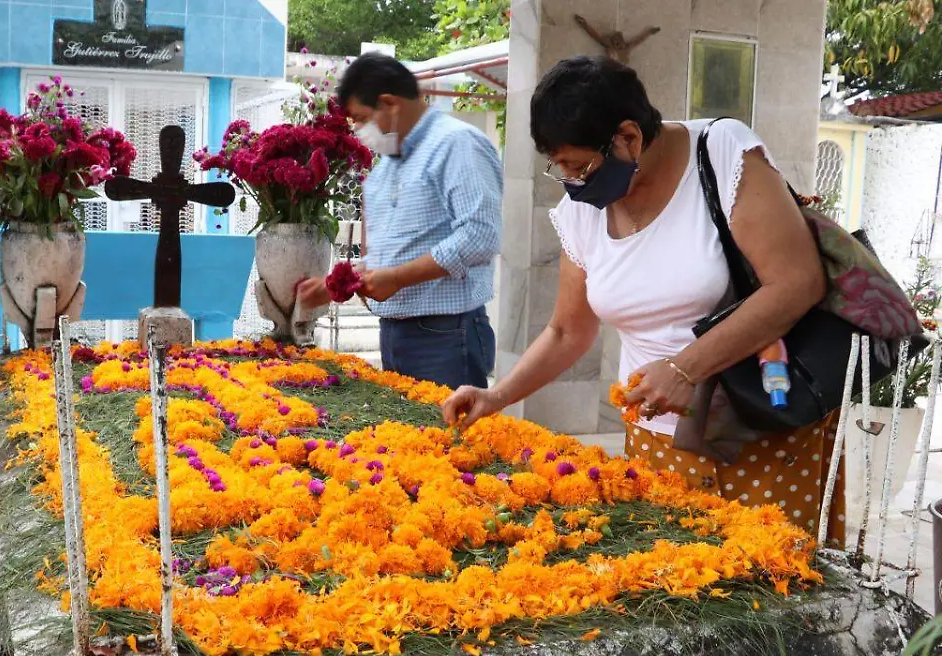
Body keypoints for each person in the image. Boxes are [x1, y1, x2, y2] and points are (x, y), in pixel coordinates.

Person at [441, 56, 845, 541]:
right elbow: (568, 330)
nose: (571, 180)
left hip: (761, 427)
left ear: (628, 137)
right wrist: (497, 394)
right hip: (658, 443)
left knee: (775, 589)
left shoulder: (720, 154)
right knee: (673, 592)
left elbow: (798, 282)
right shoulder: (582, 209)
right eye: (560, 168)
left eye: (580, 164)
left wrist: (684, 369)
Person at [299, 52, 503, 389]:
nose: (359, 131)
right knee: (409, 440)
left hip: (447, 334)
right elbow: (387, 259)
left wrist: (397, 277)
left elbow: (480, 235)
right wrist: (339, 283)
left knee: (446, 439)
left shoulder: (456, 144)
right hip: (394, 332)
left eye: (362, 118)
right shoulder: (385, 170)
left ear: (389, 104)